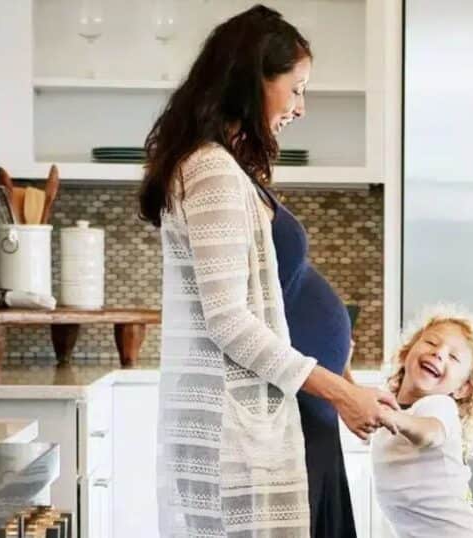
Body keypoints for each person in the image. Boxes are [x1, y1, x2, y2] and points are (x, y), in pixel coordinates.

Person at [138, 5, 397, 537]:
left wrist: (342, 387)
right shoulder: (210, 170)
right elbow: (229, 321)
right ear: (254, 79)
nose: (301, 107)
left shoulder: (226, 167)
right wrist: (342, 393)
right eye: (296, 88)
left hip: (303, 414)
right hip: (259, 429)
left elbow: (282, 302)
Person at [370, 304, 473, 538]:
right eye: (431, 343)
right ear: (405, 352)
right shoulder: (394, 410)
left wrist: (389, 417)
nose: (438, 353)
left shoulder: (439, 406)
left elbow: (429, 434)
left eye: (453, 356)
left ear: (462, 389)